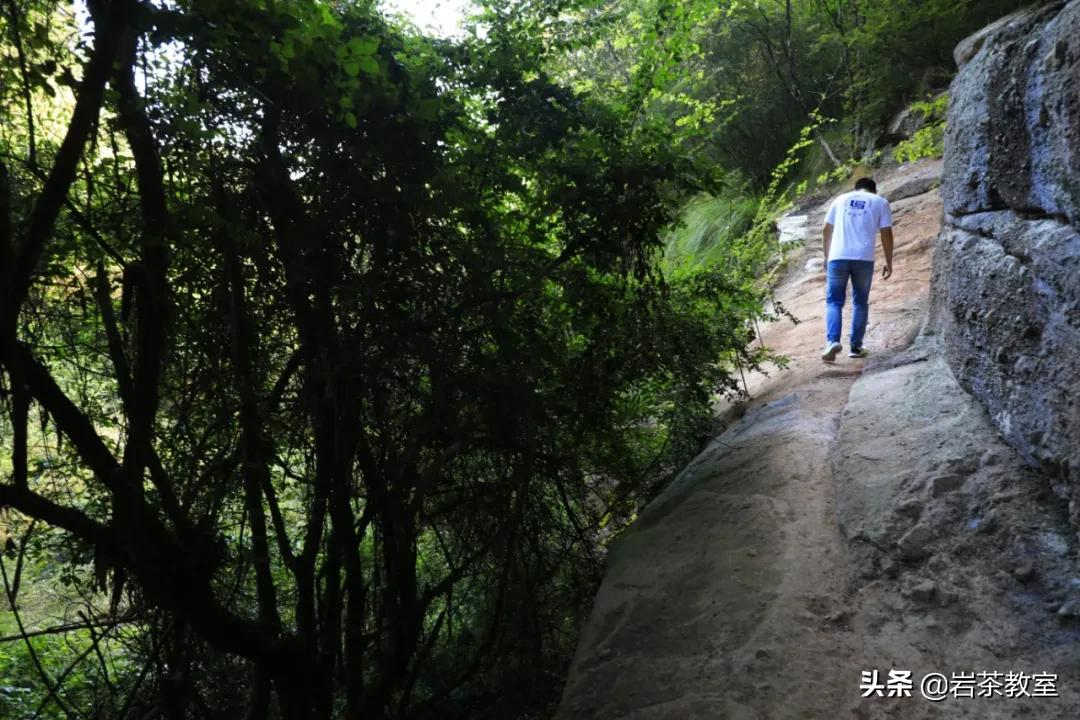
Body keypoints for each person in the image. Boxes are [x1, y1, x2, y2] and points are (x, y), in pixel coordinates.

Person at [820, 177, 894, 361]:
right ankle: (856, 347)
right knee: (860, 302)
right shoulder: (881, 202)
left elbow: (826, 229)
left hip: (837, 257)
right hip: (864, 258)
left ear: (856, 189)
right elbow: (886, 232)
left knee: (834, 301)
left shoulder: (840, 199)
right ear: (874, 190)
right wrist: (888, 261)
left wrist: (827, 257)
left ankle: (832, 342)